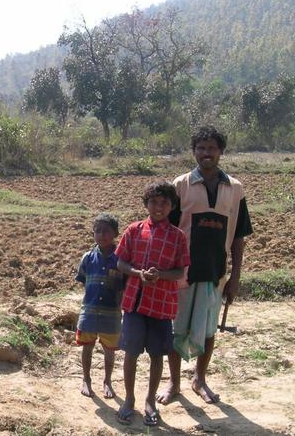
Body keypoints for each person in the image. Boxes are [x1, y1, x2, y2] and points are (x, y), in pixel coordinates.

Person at [156, 125, 253, 406]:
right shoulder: (180, 185)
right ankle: (174, 382)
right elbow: (166, 230)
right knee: (176, 330)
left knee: (209, 330)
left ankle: (199, 378)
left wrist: (235, 276)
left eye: (211, 148)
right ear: (194, 151)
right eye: (201, 148)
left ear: (221, 151)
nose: (206, 153)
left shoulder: (235, 189)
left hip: (215, 273)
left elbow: (238, 236)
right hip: (181, 273)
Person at [115, 182, 190, 426]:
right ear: (146, 203)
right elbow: (120, 263)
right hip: (135, 303)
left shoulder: (177, 236)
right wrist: (138, 273)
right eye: (154, 202)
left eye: (164, 203)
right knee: (131, 352)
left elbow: (180, 270)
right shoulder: (134, 230)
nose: (159, 207)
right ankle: (129, 399)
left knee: (157, 354)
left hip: (161, 305)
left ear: (172, 206)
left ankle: (150, 401)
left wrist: (161, 275)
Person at [74, 213, 125, 399]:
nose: (101, 235)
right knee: (87, 347)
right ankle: (86, 379)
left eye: (106, 231)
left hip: (112, 313)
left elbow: (125, 286)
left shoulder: (121, 259)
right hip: (89, 311)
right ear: (93, 233)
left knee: (109, 350)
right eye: (97, 231)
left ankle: (107, 381)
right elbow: (83, 280)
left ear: (115, 233)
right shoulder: (87, 258)